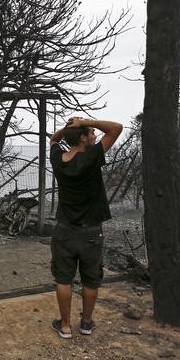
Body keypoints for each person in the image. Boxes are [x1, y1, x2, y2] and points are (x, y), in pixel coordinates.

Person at [49, 117, 123, 339]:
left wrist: (68, 128)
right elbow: (116, 128)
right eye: (91, 133)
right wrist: (84, 121)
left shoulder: (57, 159)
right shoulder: (92, 156)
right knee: (91, 279)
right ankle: (87, 323)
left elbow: (54, 139)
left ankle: (64, 326)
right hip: (91, 230)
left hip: (64, 230)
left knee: (63, 279)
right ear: (82, 138)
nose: (94, 136)